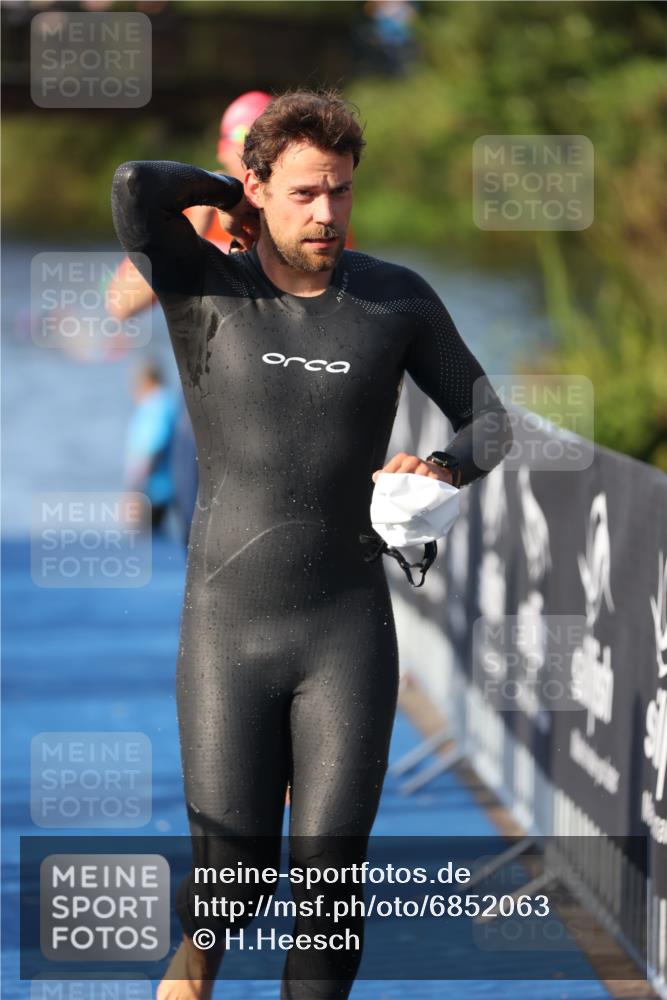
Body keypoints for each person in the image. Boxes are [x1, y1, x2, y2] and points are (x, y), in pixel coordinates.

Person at [111, 88, 512, 1000]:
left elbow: (490, 421)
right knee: (233, 882)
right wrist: (231, 193)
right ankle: (192, 966)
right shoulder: (206, 283)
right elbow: (137, 188)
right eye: (302, 193)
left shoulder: (392, 297)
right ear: (257, 190)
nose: (326, 213)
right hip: (227, 630)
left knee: (330, 889)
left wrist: (442, 471)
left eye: (339, 191)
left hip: (346, 629)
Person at [124, 361, 178, 534]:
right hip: (163, 487)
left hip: (153, 490)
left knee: (147, 544)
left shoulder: (156, 405)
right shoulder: (168, 401)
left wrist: (135, 490)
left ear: (146, 382)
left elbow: (154, 448)